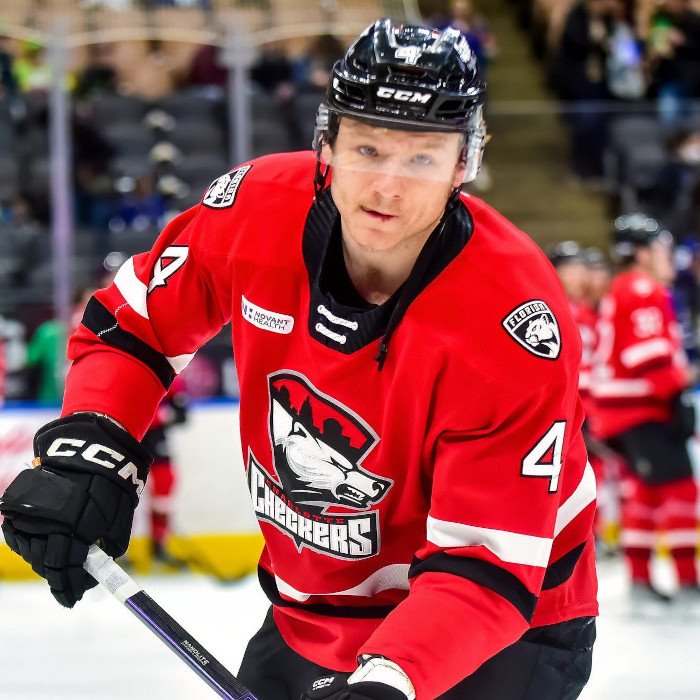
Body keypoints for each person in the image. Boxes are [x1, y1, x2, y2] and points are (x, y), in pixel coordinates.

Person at [0, 20, 598, 700]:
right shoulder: (256, 210)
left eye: (422, 159)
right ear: (326, 143)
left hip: (498, 625)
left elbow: (486, 569)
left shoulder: (511, 322)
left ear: (464, 164)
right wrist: (91, 445)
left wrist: (386, 682)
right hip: (311, 610)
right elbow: (133, 325)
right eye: (367, 148)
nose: (388, 187)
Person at [590, 213, 700, 615]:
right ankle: (687, 584)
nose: (669, 257)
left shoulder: (627, 287)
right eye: (661, 249)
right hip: (641, 412)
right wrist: (685, 377)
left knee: (646, 496)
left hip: (625, 412)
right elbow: (650, 363)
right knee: (681, 492)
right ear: (641, 253)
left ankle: (641, 582)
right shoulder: (642, 289)